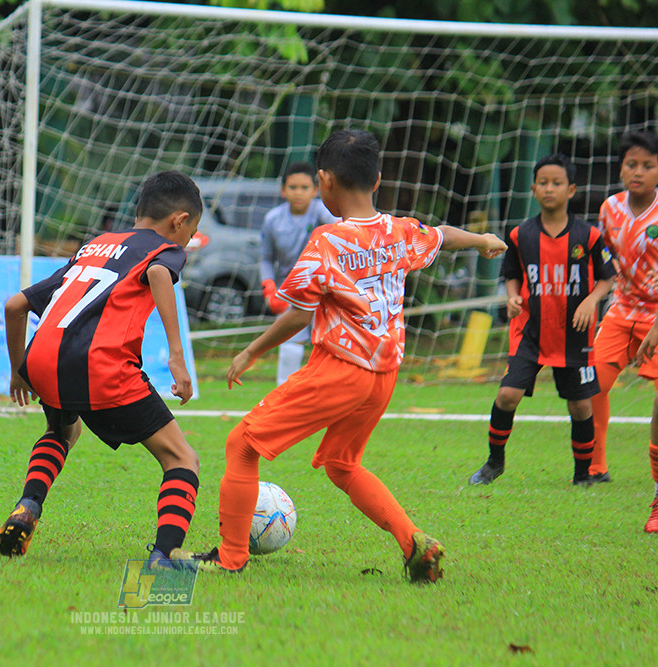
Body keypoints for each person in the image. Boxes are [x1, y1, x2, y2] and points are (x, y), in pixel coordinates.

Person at [191, 129, 506, 582]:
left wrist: (251, 351)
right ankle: (414, 542)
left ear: (323, 180)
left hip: (341, 368)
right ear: (377, 181)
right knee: (341, 464)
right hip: (384, 376)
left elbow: (299, 316)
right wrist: (482, 240)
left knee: (242, 444)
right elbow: (442, 236)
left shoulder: (327, 241)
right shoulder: (399, 231)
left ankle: (231, 556)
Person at [0, 171, 203, 570]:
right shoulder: (164, 249)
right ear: (178, 220)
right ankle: (165, 557)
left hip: (44, 359)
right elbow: (160, 273)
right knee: (182, 459)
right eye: (191, 231)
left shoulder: (95, 245)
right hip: (102, 367)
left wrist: (18, 370)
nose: (188, 241)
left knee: (62, 432)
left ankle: (28, 505)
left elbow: (13, 305)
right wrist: (177, 356)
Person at [468, 153, 615, 487]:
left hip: (574, 334)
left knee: (580, 406)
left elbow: (608, 277)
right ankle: (494, 463)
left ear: (571, 190)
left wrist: (592, 300)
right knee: (507, 395)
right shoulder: (521, 235)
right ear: (533, 189)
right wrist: (512, 296)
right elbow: (512, 274)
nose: (550, 189)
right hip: (530, 333)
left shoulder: (588, 236)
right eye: (544, 183)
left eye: (557, 183)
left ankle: (582, 475)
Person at [589, 130, 658, 531]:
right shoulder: (610, 208)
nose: (638, 172)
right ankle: (596, 465)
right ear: (621, 169)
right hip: (622, 311)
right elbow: (605, 262)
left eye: (648, 165)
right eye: (632, 164)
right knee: (593, 383)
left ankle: (656, 494)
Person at [260, 162, 340, 385]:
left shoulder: (325, 214)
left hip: (326, 291)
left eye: (304, 187)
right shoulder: (272, 219)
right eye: (293, 187)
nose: (298, 193)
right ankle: (283, 397)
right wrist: (269, 288)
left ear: (315, 190)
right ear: (283, 190)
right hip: (291, 293)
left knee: (329, 348)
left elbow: (342, 235)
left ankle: (328, 395)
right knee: (289, 349)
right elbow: (266, 258)